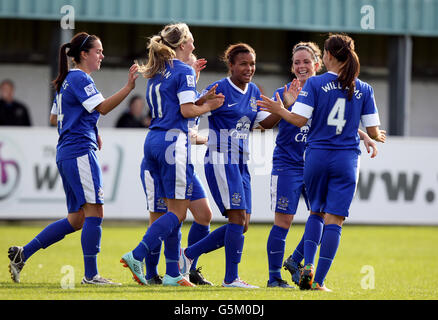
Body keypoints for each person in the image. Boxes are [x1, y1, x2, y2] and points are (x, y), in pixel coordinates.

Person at [8, 32, 139, 285]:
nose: (102, 55)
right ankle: (91, 276)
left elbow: (55, 118)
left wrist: (92, 129)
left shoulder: (67, 80)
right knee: (96, 212)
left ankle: (23, 253)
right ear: (83, 54)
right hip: (79, 151)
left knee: (77, 219)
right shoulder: (80, 78)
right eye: (98, 51)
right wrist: (128, 87)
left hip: (67, 151)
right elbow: (101, 108)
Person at [258, 34, 386, 291]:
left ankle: (302, 264)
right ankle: (317, 281)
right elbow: (373, 130)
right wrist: (374, 136)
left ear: (325, 57)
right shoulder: (364, 88)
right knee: (334, 220)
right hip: (345, 159)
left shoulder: (315, 85)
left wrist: (281, 109)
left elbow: (299, 120)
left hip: (315, 157)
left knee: (316, 213)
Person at [120, 23, 224, 287]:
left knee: (191, 213)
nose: (193, 46)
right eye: (191, 41)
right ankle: (139, 255)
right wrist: (210, 105)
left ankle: (173, 273)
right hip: (173, 143)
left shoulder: (157, 72)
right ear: (182, 45)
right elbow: (187, 112)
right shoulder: (182, 70)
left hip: (155, 139)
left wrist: (199, 95)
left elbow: (176, 106)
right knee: (176, 213)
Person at [179, 43, 281, 288]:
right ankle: (231, 279)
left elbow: (263, 124)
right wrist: (194, 125)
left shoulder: (254, 90)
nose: (249, 68)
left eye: (252, 63)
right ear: (232, 65)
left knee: (243, 224)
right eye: (243, 64)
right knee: (236, 218)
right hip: (220, 159)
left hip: (242, 161)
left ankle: (188, 254)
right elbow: (191, 108)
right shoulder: (220, 88)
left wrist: (282, 109)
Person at [139, 53, 214, 286]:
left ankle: (186, 265)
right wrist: (207, 140)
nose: (194, 62)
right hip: (170, 156)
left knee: (203, 215)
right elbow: (183, 129)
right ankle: (151, 272)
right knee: (164, 217)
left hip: (184, 163)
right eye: (191, 57)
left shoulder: (188, 90)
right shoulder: (178, 87)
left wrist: (203, 97)